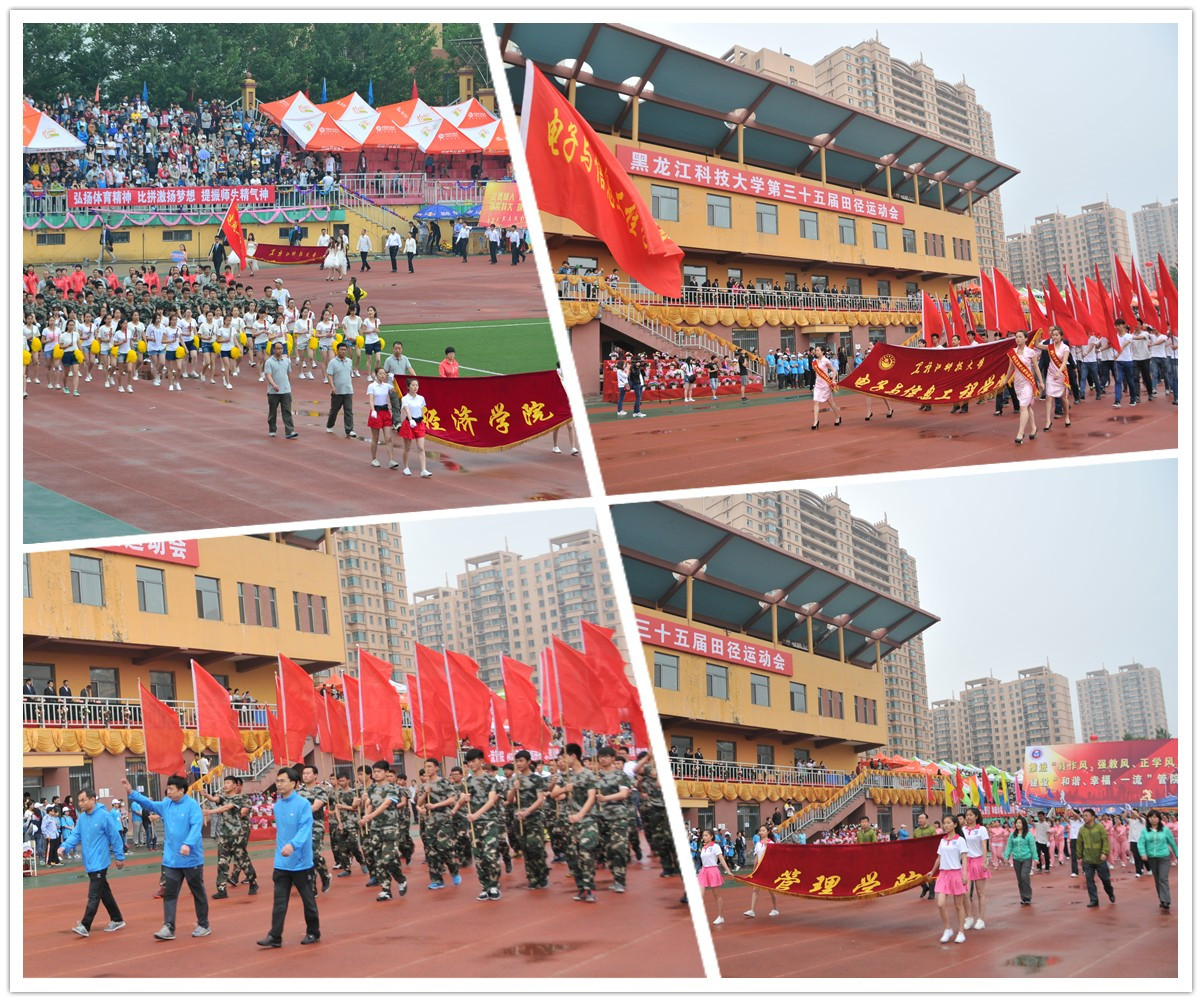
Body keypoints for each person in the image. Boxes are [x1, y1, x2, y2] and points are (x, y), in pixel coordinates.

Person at [121, 774, 210, 941]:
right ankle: (168, 927)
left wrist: (188, 844)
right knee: (170, 894)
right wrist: (132, 793)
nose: (168, 792)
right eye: (168, 788)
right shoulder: (166, 804)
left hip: (191, 859)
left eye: (171, 789)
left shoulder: (192, 806)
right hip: (172, 860)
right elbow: (150, 804)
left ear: (182, 790)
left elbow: (196, 827)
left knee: (197, 892)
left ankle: (203, 924)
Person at [256, 766, 320, 947]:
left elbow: (305, 829)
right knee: (279, 902)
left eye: (283, 781)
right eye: (277, 781)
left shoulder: (303, 804)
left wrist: (293, 845)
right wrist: (281, 852)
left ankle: (313, 932)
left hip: (301, 862)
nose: (279, 784)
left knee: (308, 900)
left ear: (294, 783)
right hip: (282, 863)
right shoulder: (277, 806)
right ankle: (275, 936)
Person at [62, 788, 126, 936]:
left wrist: (119, 856)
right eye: (79, 801)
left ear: (93, 799)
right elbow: (75, 835)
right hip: (89, 862)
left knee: (94, 894)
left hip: (100, 862)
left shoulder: (104, 816)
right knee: (104, 892)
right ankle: (117, 919)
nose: (80, 804)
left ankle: (85, 925)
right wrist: (64, 846)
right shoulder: (82, 818)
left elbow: (114, 836)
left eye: (83, 800)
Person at [202, 775, 258, 899]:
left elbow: (227, 807)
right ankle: (221, 890)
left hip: (237, 835)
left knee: (243, 862)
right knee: (222, 863)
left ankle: (253, 882)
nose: (225, 785)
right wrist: (206, 795)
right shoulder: (223, 797)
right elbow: (215, 799)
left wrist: (210, 812)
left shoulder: (240, 798)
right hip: (224, 835)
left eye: (228, 783)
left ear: (235, 785)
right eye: (225, 782)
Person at [417, 758, 462, 889]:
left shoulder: (444, 782)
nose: (427, 769)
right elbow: (419, 803)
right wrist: (425, 794)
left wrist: (435, 805)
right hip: (430, 821)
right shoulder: (424, 785)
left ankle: (454, 870)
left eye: (430, 766)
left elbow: (452, 799)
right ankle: (437, 880)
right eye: (426, 767)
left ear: (437, 768)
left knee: (444, 847)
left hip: (443, 819)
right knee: (431, 850)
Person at [927, 814, 970, 943]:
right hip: (943, 874)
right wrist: (932, 871)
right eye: (944, 823)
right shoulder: (943, 840)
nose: (946, 825)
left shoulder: (960, 840)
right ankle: (948, 929)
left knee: (958, 905)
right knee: (940, 904)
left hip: (956, 874)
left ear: (955, 824)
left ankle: (961, 932)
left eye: (948, 823)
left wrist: (964, 874)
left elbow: (964, 858)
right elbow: (939, 858)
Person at [1004, 329, 1044, 445]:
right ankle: (1034, 428)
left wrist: (1041, 382)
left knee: (1023, 407)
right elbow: (1011, 368)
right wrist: (1006, 380)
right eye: (1016, 337)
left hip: (1028, 382)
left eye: (1020, 337)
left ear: (1026, 339)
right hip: (1018, 383)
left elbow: (1036, 367)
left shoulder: (1031, 352)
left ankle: (1020, 433)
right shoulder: (1013, 352)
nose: (1018, 339)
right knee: (1027, 407)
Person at [1137, 809, 1177, 910]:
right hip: (1152, 858)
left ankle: (1166, 900)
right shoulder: (1145, 831)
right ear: (1148, 819)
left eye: (1155, 817)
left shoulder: (1165, 830)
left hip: (1164, 857)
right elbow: (1141, 843)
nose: (1153, 819)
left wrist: (1177, 855)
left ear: (1159, 819)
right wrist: (1143, 853)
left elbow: (1172, 843)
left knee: (1163, 878)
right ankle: (1162, 899)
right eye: (1151, 817)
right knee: (1157, 878)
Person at [394, 377, 433, 478]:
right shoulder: (405, 399)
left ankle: (423, 470)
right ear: (408, 387)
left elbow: (422, 410)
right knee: (407, 448)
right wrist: (411, 420)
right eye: (413, 385)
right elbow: (407, 410)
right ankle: (406, 467)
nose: (415, 387)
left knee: (421, 447)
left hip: (419, 424)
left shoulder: (421, 398)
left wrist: (423, 420)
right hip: (409, 424)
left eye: (417, 385)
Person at [1077, 807, 1115, 908]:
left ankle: (1110, 892)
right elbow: (1079, 843)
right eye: (1083, 816)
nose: (1084, 817)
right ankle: (1094, 900)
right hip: (1088, 859)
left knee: (1105, 879)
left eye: (1086, 816)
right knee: (1089, 880)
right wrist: (1079, 856)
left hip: (1100, 859)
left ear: (1093, 817)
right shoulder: (1082, 830)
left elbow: (1105, 841)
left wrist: (1104, 853)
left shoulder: (1099, 828)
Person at [697, 828, 734, 925]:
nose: (704, 837)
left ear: (711, 836)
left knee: (716, 895)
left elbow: (721, 859)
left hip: (713, 871)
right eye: (703, 835)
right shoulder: (703, 847)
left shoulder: (715, 846)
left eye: (706, 835)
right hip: (703, 871)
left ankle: (721, 916)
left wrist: (728, 871)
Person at [743, 824, 780, 918]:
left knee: (771, 890)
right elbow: (757, 857)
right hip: (759, 869)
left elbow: (774, 857)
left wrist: (768, 847)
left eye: (763, 830)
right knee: (755, 889)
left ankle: (775, 909)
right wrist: (754, 869)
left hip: (768, 869)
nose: (761, 832)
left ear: (768, 832)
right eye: (760, 831)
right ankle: (752, 910)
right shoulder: (758, 844)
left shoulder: (771, 843)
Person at [366, 367, 398, 469]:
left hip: (385, 412)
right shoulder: (372, 386)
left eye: (384, 373)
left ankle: (391, 460)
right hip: (376, 412)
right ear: (376, 375)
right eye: (380, 373)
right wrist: (373, 410)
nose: (383, 375)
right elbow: (371, 399)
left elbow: (397, 391)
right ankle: (374, 459)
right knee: (375, 438)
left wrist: (394, 380)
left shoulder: (387, 386)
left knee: (388, 437)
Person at [264, 340, 298, 439]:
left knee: (287, 411)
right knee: (272, 411)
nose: (280, 350)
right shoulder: (269, 362)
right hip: (273, 392)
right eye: (278, 348)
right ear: (273, 350)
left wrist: (288, 385)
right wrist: (274, 385)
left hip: (286, 391)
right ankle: (272, 429)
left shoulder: (286, 361)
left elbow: (288, 374)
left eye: (281, 348)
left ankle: (290, 431)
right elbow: (268, 375)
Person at [324, 340, 356, 438]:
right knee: (334, 410)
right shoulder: (332, 362)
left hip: (348, 390)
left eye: (345, 350)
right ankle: (330, 425)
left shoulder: (349, 361)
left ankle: (349, 430)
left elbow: (349, 374)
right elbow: (329, 375)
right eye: (341, 350)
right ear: (337, 350)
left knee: (348, 411)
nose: (343, 351)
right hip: (337, 391)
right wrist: (332, 386)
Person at [1003, 815, 1036, 905]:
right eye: (1017, 823)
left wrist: (1035, 857)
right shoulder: (1012, 835)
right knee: (1020, 879)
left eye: (1020, 823)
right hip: (1016, 859)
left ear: (1023, 824)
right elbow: (1009, 846)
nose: (1018, 824)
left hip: (1027, 858)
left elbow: (1032, 846)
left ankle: (1028, 896)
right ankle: (1023, 897)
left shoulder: (1028, 835)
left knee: (1024, 876)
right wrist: (1006, 857)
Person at [810, 344, 841, 430]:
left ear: (822, 352)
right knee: (815, 401)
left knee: (831, 403)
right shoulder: (814, 362)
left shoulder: (826, 360)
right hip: (818, 384)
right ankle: (815, 421)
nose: (816, 352)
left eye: (818, 350)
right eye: (816, 350)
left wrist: (833, 380)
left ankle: (838, 416)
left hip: (826, 385)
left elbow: (834, 370)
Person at [913, 811, 940, 899]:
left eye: (922, 818)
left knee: (930, 872)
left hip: (929, 855)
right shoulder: (916, 831)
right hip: (919, 855)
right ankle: (924, 887)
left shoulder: (931, 830)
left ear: (927, 820)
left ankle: (931, 892)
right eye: (919, 818)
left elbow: (934, 842)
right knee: (917, 873)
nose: (920, 820)